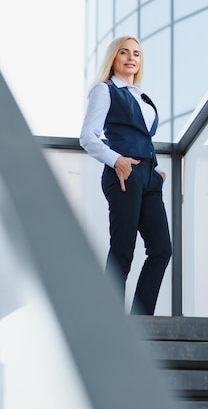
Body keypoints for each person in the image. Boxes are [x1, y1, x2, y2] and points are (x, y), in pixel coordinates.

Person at [80, 35, 172, 315]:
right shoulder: (105, 90)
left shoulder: (141, 96)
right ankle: (111, 320)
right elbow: (88, 137)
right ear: (114, 58)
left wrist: (155, 171)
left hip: (149, 177)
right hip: (123, 173)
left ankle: (140, 320)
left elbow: (142, 136)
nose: (131, 57)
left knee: (161, 249)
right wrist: (117, 160)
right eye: (124, 52)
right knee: (123, 249)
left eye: (137, 54)